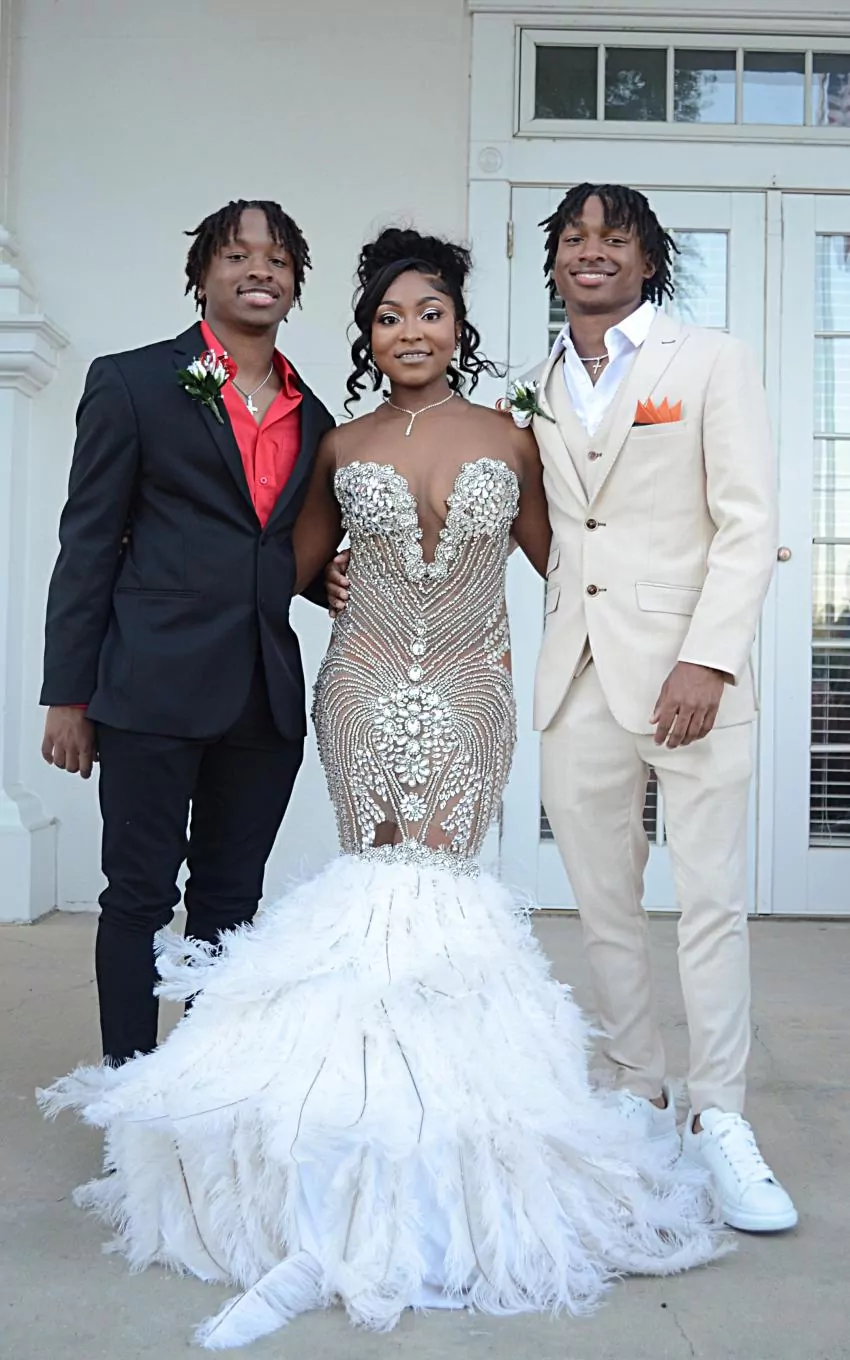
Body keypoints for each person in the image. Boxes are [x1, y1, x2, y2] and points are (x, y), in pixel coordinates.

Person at [40, 229, 725, 1351]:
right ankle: (333, 1113)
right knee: (363, 895)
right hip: (359, 684)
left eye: (431, 313)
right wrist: (318, 586)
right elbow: (291, 565)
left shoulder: (513, 435)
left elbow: (571, 565)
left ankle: (443, 1126)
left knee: (435, 900)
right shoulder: (338, 439)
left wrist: (665, 633)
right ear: (366, 334)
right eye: (390, 316)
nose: (411, 331)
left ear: (459, 327)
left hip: (469, 686)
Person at [527, 183, 796, 1232]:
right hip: (579, 674)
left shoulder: (710, 361)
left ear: (648, 260)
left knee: (711, 904)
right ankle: (637, 1093)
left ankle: (718, 1114)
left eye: (614, 237)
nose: (591, 251)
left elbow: (747, 521)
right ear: (555, 259)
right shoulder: (535, 382)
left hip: (690, 675)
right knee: (602, 906)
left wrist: (709, 659)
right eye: (574, 237)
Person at [39, 199, 334, 1066]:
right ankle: (129, 1089)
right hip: (150, 687)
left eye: (278, 259)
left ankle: (202, 1083)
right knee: (137, 898)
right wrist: (69, 694)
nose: (259, 270)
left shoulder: (313, 415)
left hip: (262, 696)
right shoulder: (131, 383)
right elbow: (88, 544)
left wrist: (328, 580)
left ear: (295, 284)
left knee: (231, 904)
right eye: (237, 255)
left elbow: (282, 545)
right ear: (202, 275)